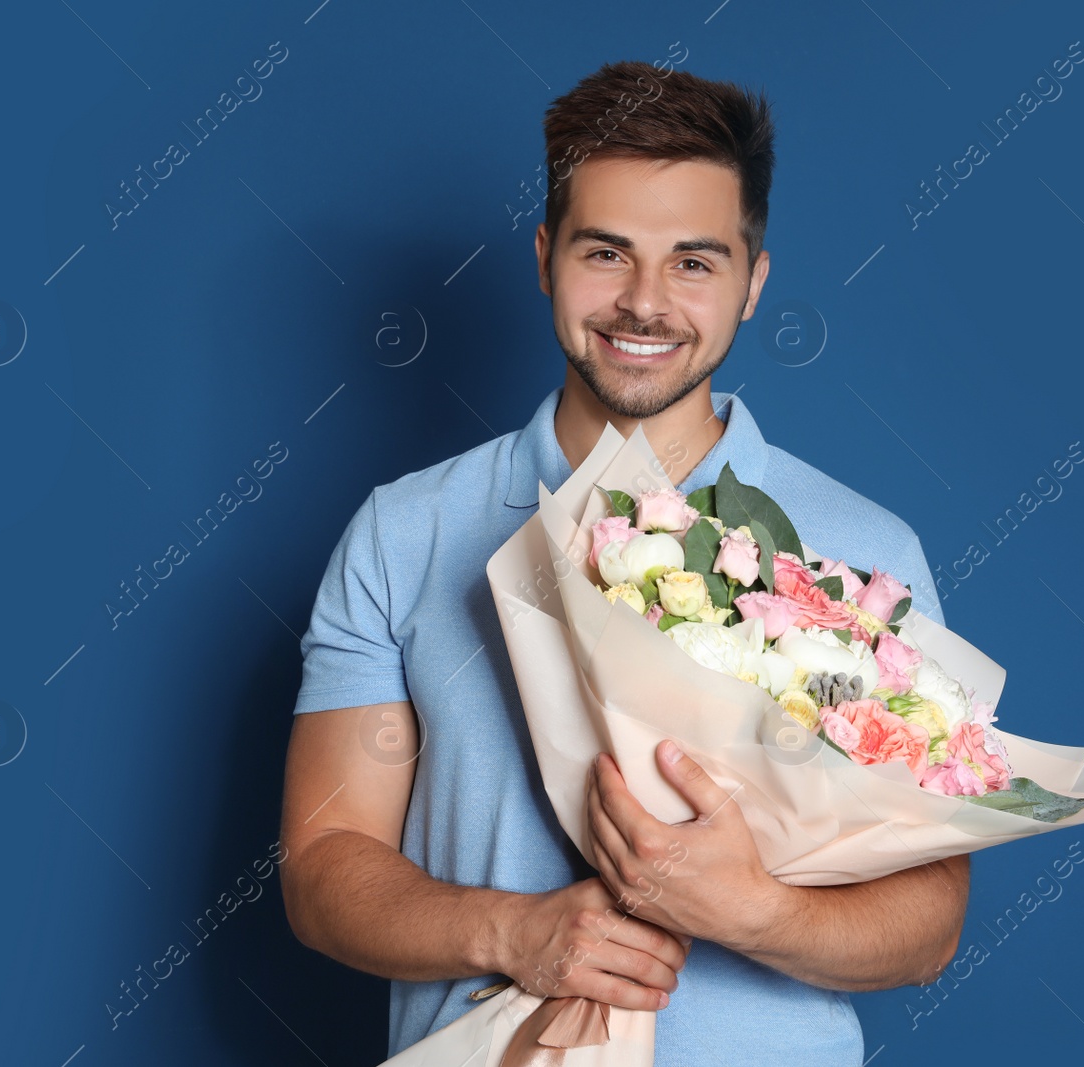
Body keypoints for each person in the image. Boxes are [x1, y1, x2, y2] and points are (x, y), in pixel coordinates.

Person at [279, 59, 969, 1065]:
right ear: (546, 255)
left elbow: (930, 923)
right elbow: (322, 866)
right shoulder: (405, 531)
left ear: (751, 281)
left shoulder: (865, 553)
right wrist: (514, 931)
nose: (644, 303)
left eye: (694, 261)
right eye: (607, 253)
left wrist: (754, 909)